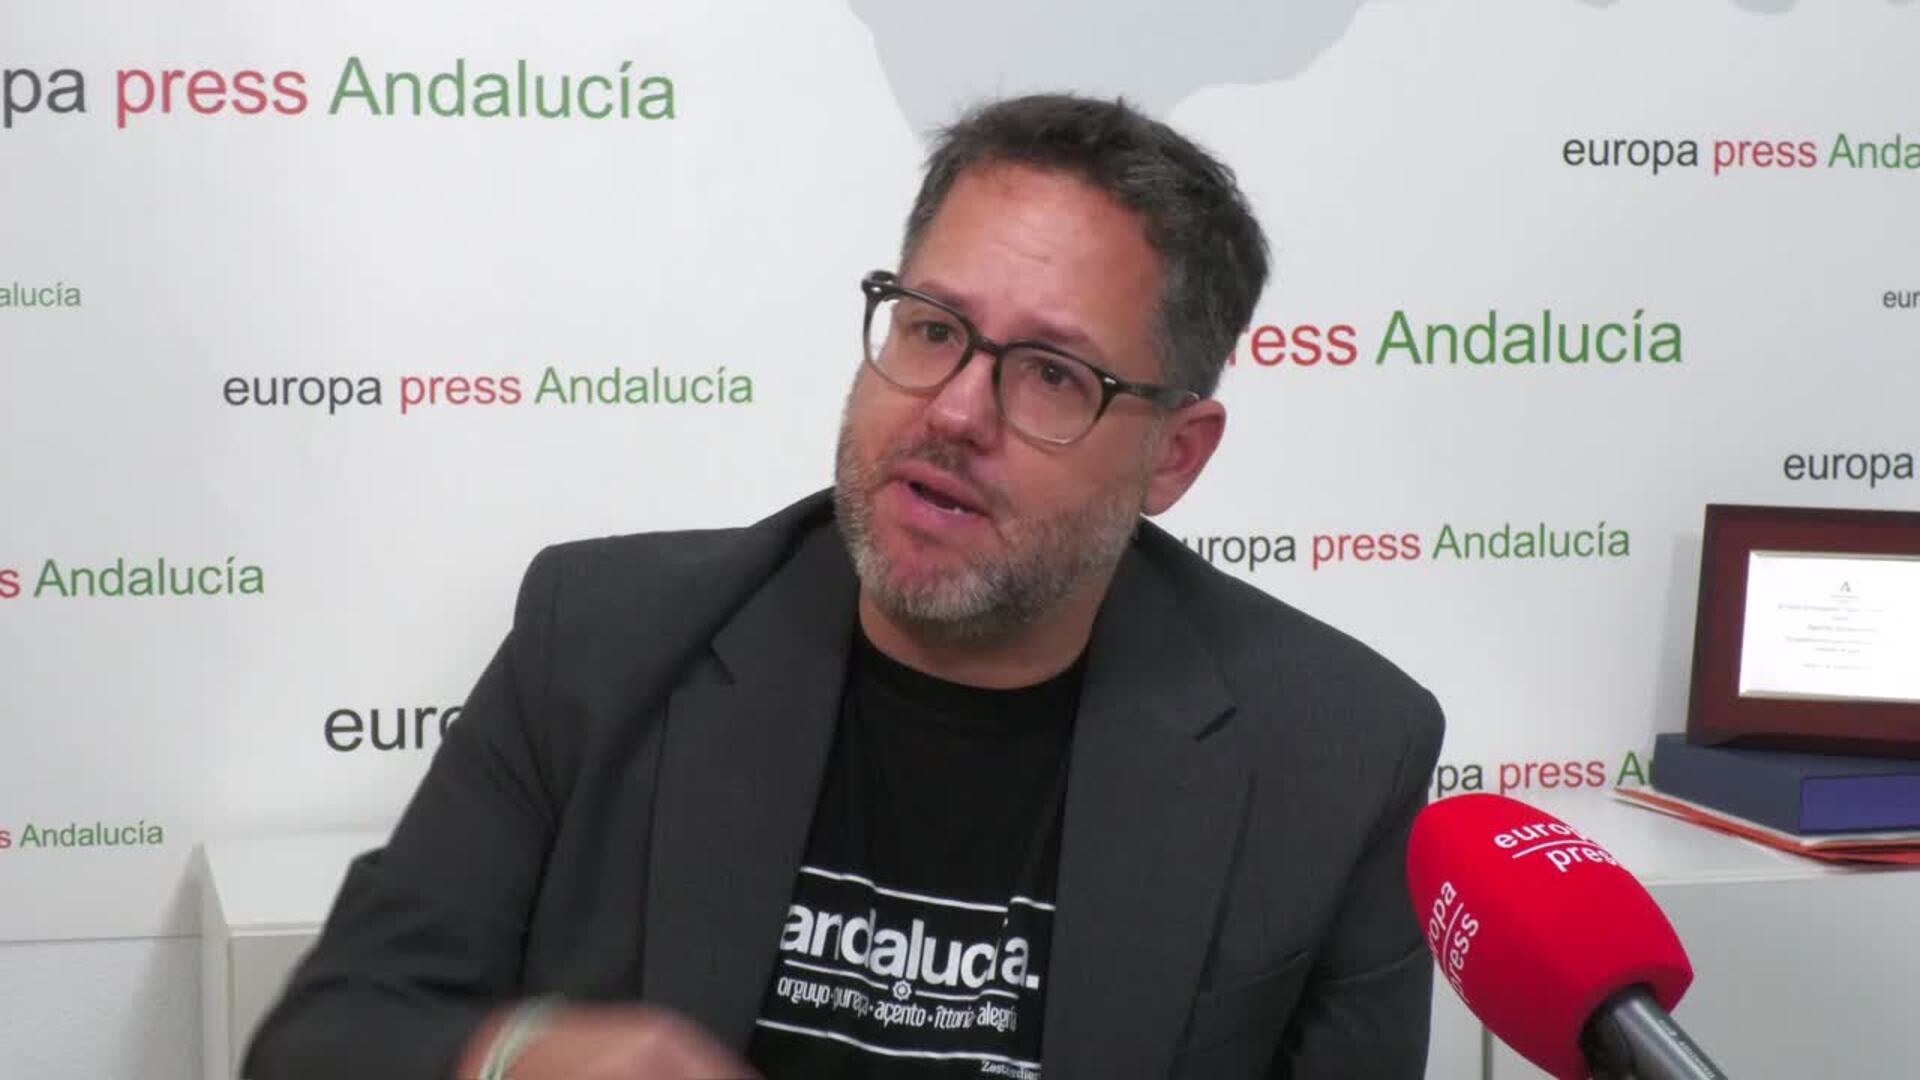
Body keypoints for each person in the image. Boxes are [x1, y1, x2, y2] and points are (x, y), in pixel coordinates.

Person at [245, 93, 1445, 1080]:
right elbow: (326, 1039)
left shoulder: (1333, 756)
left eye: (1049, 372)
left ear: (1174, 457)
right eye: (933, 329)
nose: (956, 411)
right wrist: (517, 1059)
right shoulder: (601, 644)